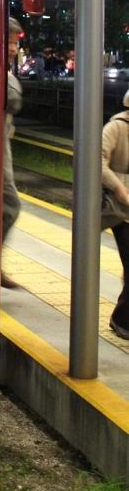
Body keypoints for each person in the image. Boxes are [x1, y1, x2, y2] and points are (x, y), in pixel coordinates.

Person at [102, 89, 129, 339]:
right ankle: (121, 321)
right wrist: (119, 187)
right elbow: (96, 161)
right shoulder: (116, 127)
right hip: (121, 211)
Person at [1, 17, 23, 289]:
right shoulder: (0, 73)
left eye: (15, 43)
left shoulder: (3, 70)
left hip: (0, 141)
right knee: (9, 205)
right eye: (10, 42)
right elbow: (13, 99)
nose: (14, 49)